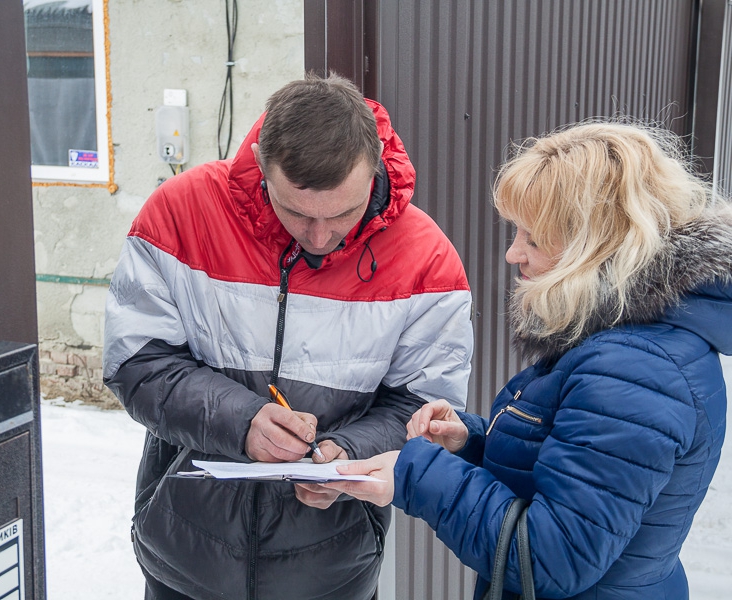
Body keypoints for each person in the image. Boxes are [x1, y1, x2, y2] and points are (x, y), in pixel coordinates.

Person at [102, 73, 474, 600]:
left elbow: (423, 409)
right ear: (260, 161)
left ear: (374, 169)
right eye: (296, 211)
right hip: (186, 559)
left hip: (333, 570)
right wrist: (241, 422)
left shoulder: (427, 260)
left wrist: (344, 452)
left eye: (343, 214)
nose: (319, 237)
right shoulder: (180, 213)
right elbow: (136, 363)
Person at [325, 121, 731, 599]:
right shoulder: (628, 334)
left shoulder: (636, 369)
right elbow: (575, 470)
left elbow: (548, 558)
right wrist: (473, 442)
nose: (513, 252)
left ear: (595, 246)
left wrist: (414, 474)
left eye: (534, 239)